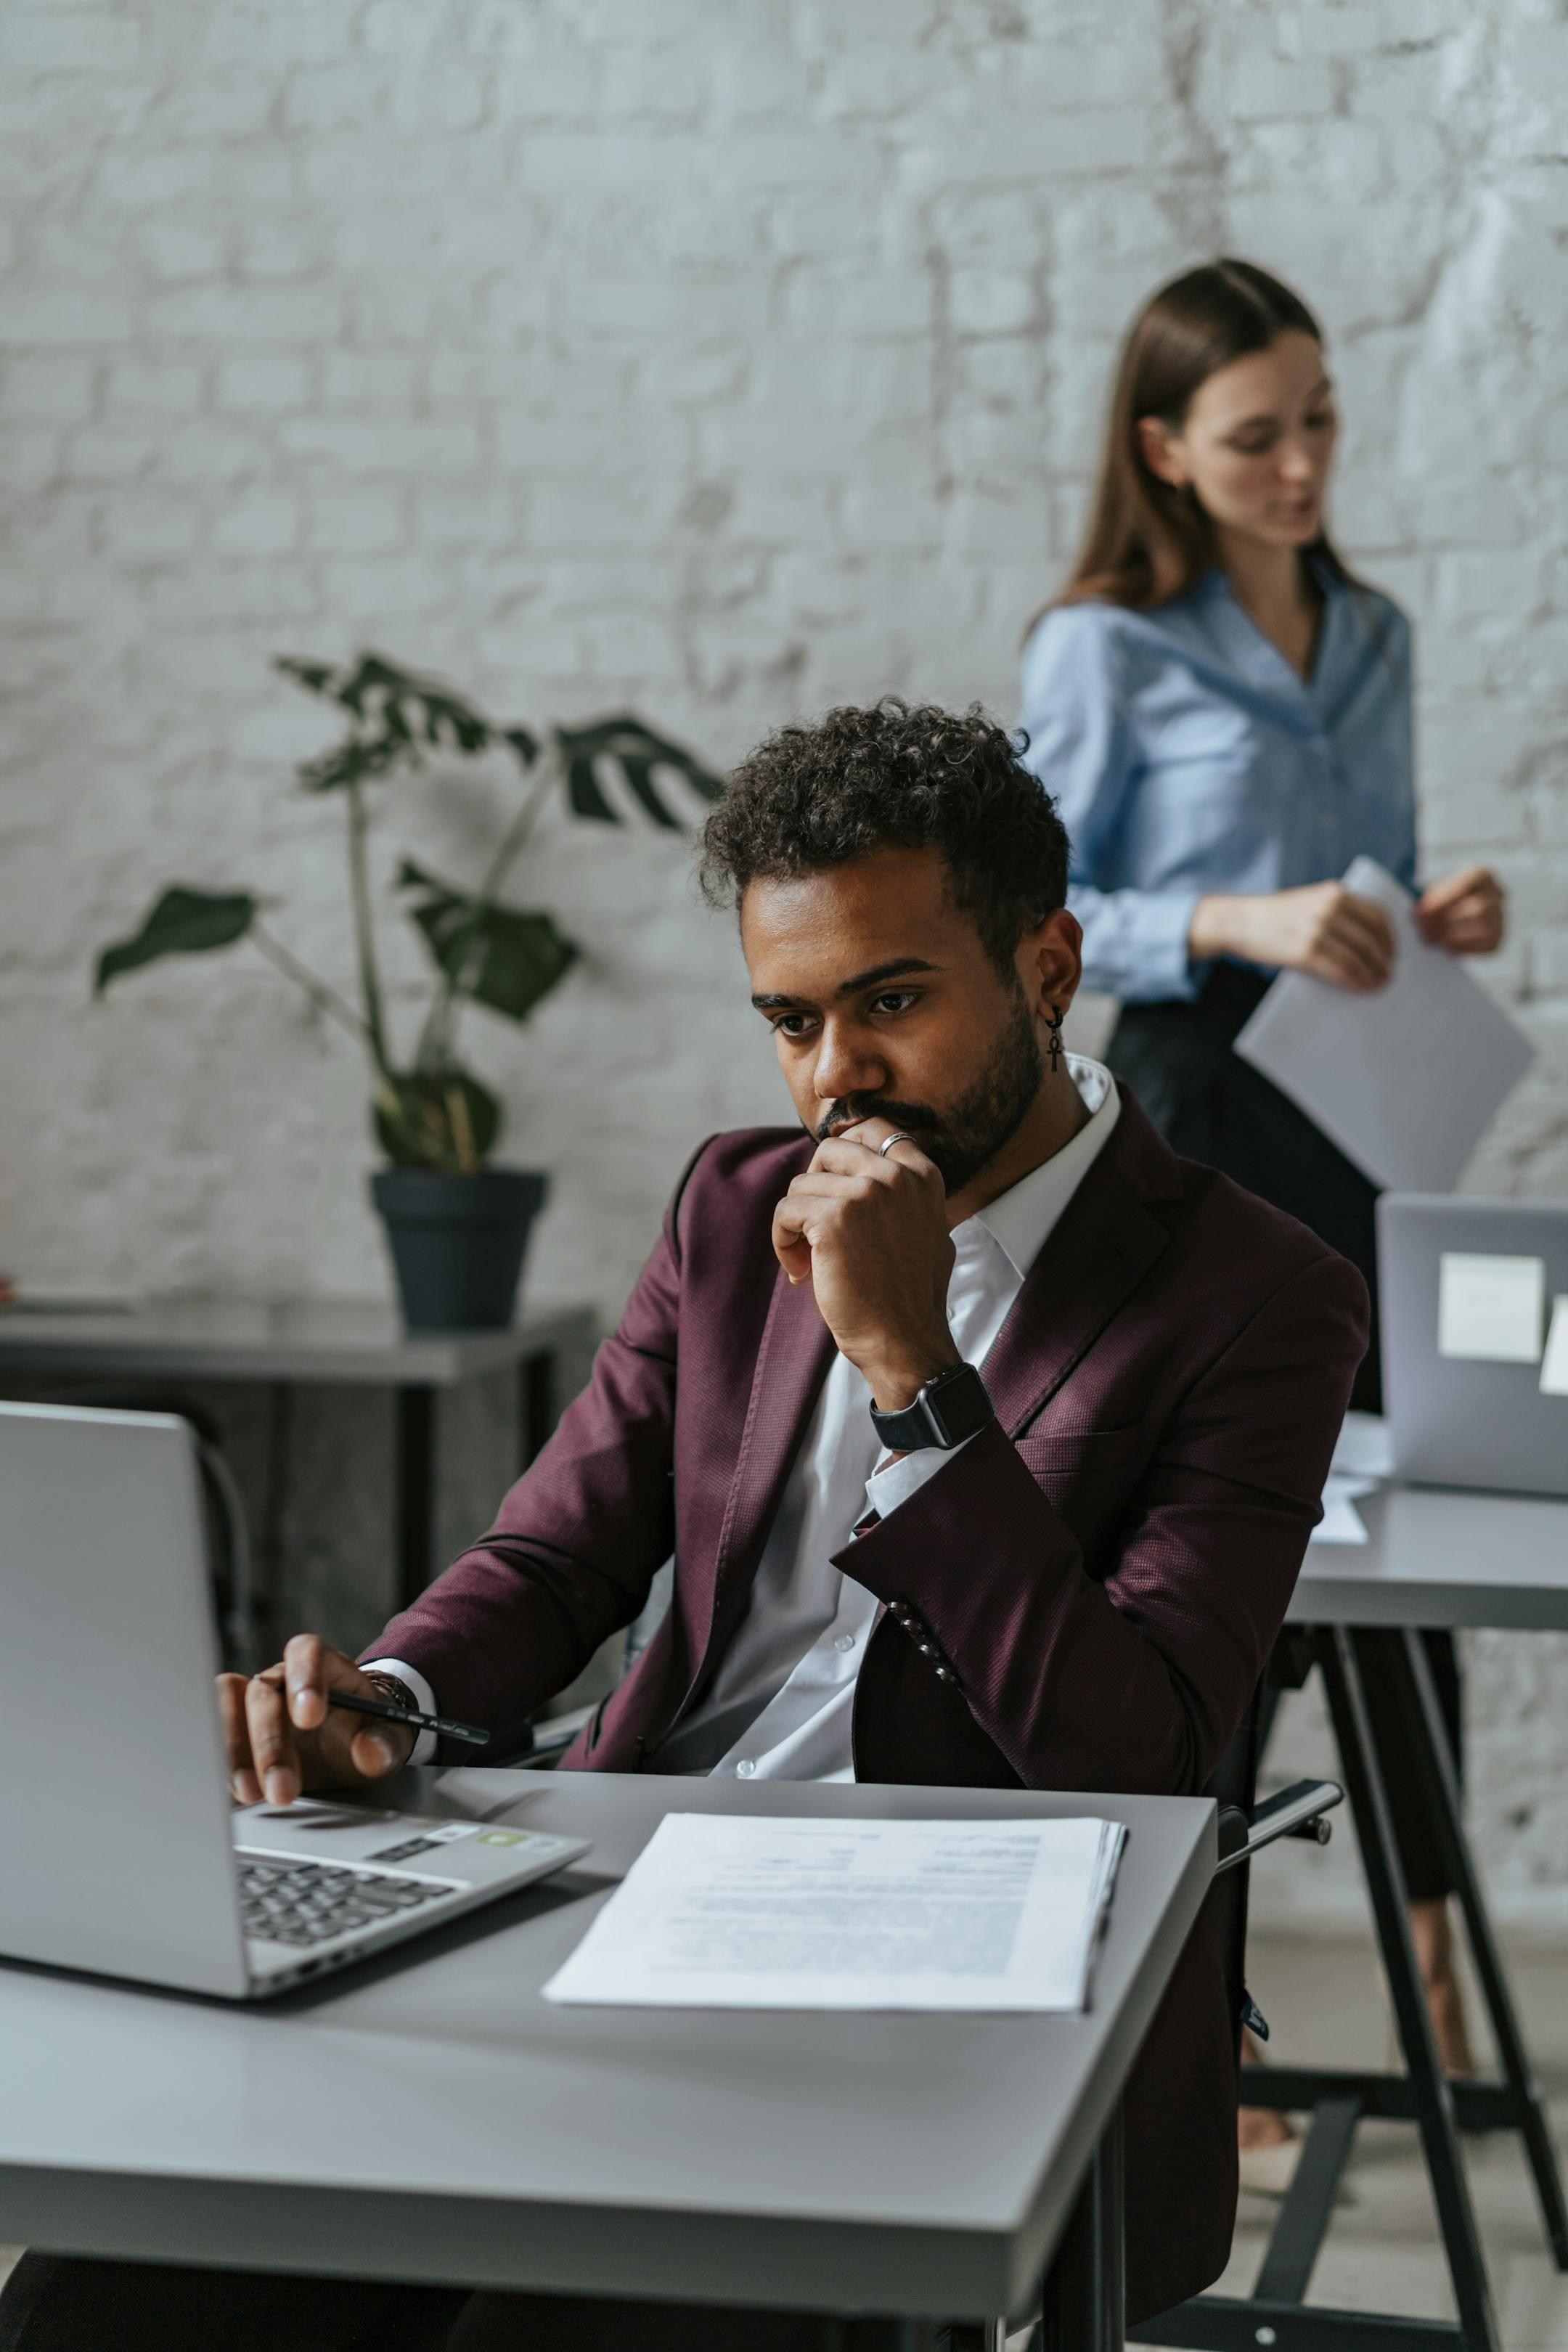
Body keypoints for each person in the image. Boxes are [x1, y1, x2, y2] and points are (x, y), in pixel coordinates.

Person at [1, 701, 1367, 2351]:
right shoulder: (733, 1208)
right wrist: (387, 1697)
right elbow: (557, 1553)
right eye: (791, 1020)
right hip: (621, 1897)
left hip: (944, 1992)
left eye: (895, 1001)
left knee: (537, 2326)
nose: (835, 1075)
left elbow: (1138, 1759)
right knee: (116, 2279)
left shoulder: (1257, 1296)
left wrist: (917, 1370)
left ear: (1051, 966)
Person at [1017, 258, 1506, 2176]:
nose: (1300, 463)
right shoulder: (1105, 646)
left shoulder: (1373, 630)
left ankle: (1443, 1992)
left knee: (1411, 1534)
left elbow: (1359, 876)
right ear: (1164, 449)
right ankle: (1190, 2040)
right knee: (1216, 1560)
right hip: (1200, 1116)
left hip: (1364, 1099)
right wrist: (1236, 919)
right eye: (1255, 435)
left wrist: (1420, 909)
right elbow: (1042, 927)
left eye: (1318, 422)